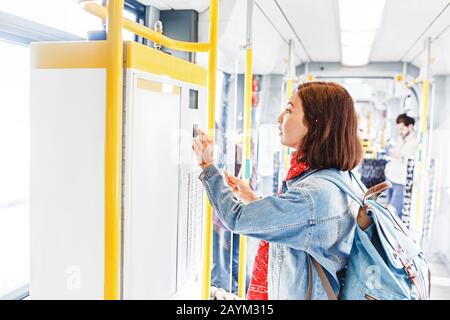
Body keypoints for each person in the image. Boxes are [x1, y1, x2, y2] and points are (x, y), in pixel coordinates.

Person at [192, 81, 363, 299]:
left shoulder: (313, 193)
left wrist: (208, 167)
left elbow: (237, 218)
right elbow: (304, 223)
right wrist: (252, 198)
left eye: (289, 110)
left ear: (315, 124)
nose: (280, 118)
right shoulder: (340, 178)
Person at [384, 113, 419, 218]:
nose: (400, 132)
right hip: (391, 178)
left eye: (402, 129)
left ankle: (393, 234)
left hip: (401, 182)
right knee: (387, 210)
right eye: (398, 129)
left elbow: (407, 159)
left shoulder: (414, 142)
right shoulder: (401, 138)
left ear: (410, 126)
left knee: (394, 213)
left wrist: (397, 155)